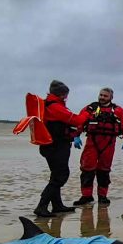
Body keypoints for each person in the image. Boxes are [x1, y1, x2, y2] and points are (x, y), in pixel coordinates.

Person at [34, 80, 87, 217]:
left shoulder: (50, 105)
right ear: (63, 94)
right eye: (66, 95)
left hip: (50, 145)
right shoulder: (55, 107)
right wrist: (87, 113)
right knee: (61, 176)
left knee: (56, 175)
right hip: (55, 146)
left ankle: (57, 205)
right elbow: (76, 120)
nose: (66, 97)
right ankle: (42, 206)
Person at [73, 87, 123, 205]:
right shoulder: (90, 109)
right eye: (101, 95)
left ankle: (102, 196)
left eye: (105, 96)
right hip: (92, 142)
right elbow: (79, 121)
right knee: (87, 169)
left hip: (109, 143)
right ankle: (86, 196)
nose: (102, 97)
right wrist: (76, 136)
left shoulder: (118, 110)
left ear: (111, 97)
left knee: (104, 171)